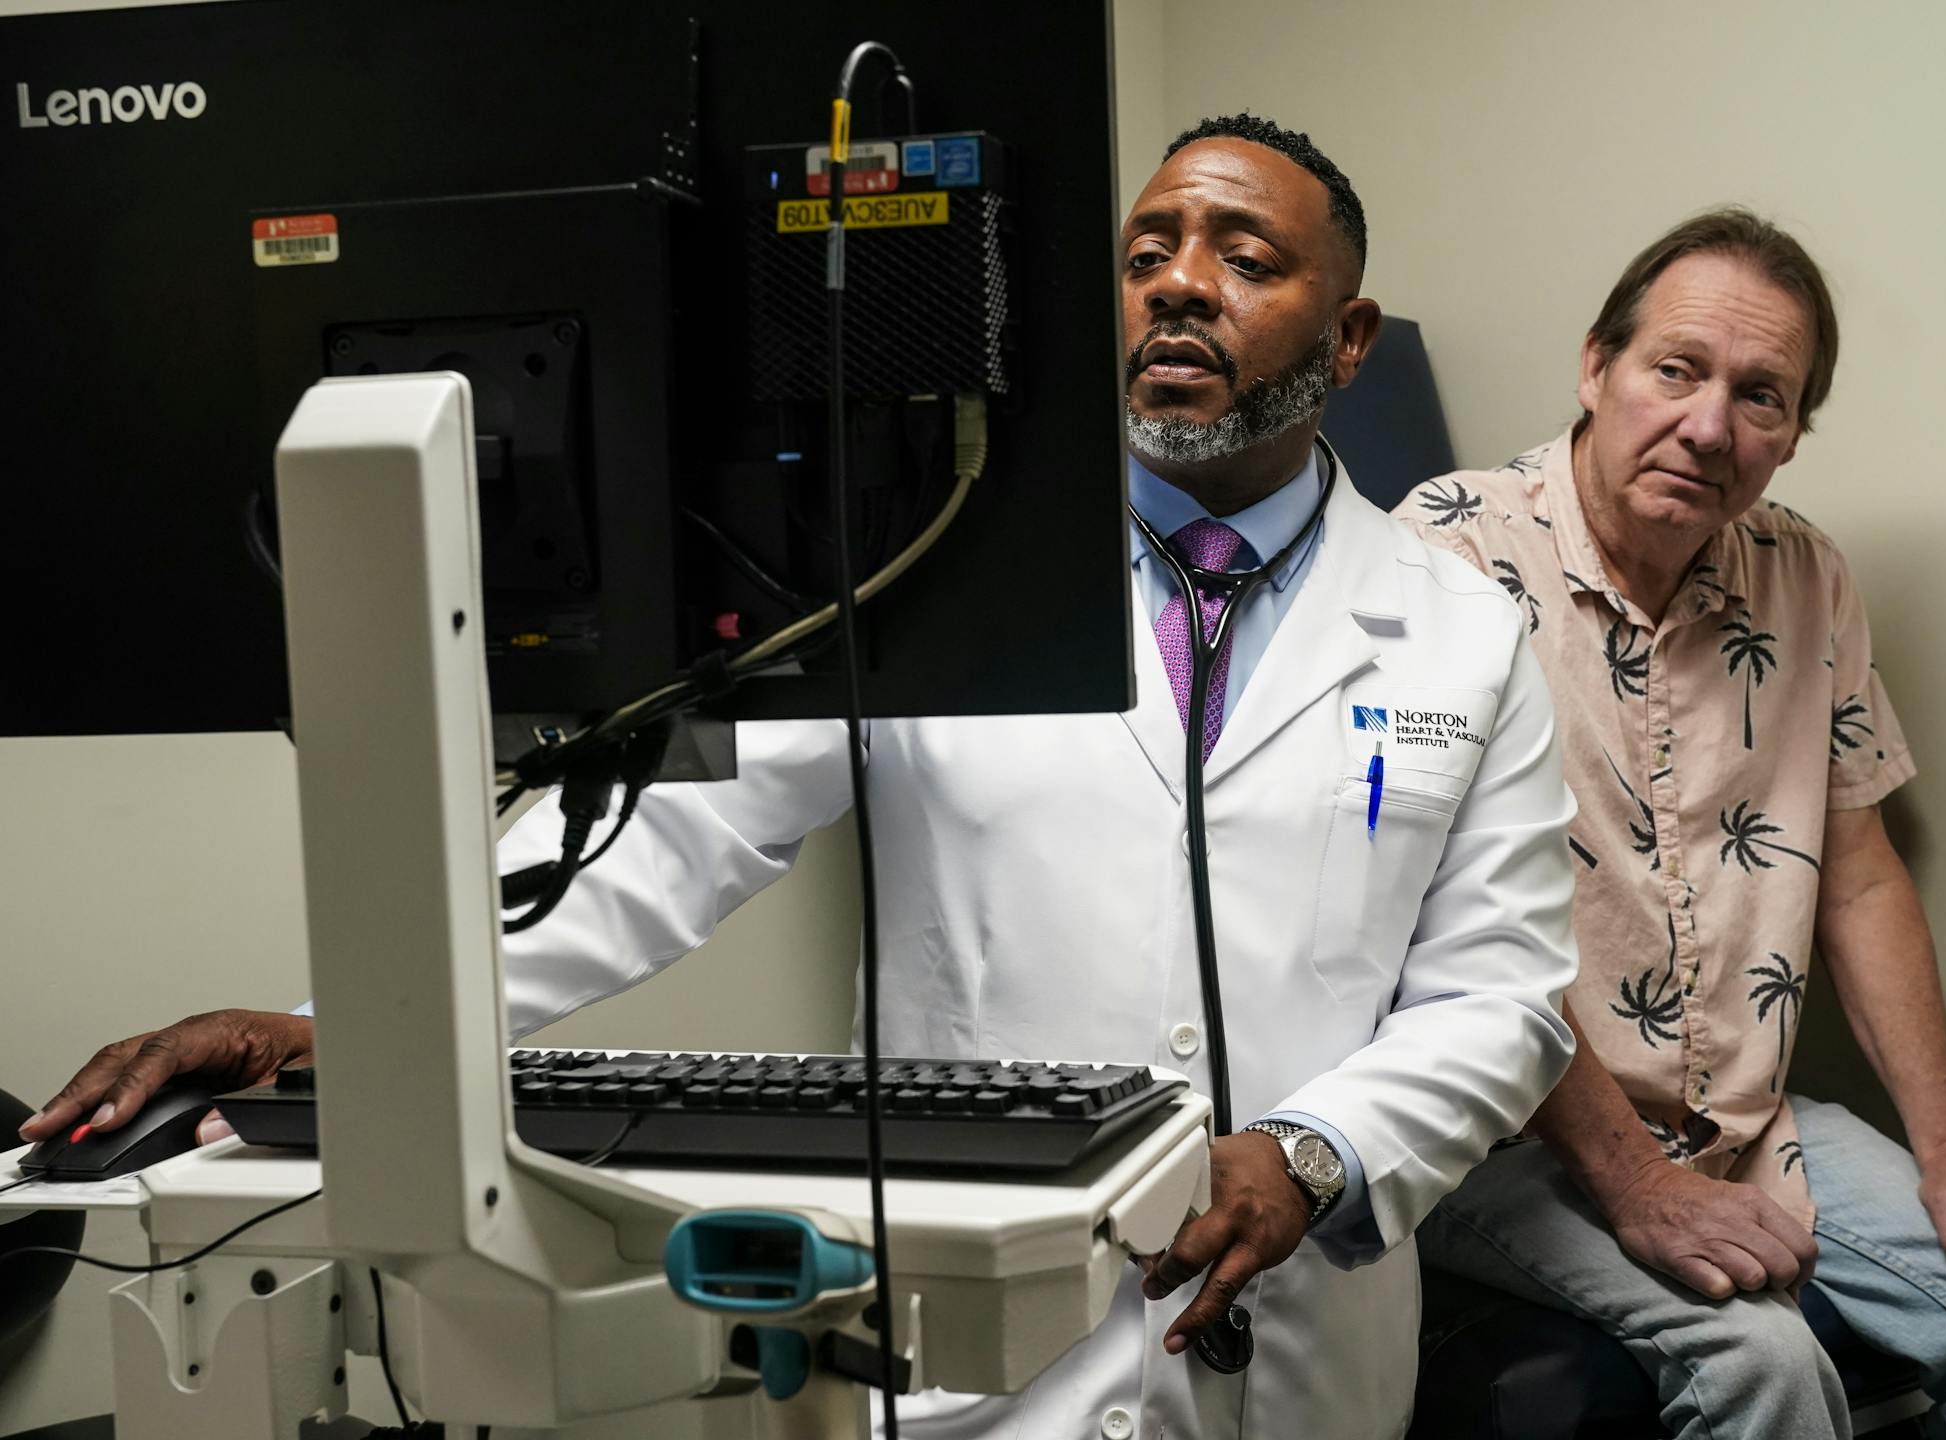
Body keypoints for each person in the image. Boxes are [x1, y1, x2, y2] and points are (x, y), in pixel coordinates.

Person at [21, 116, 1581, 1439]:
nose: (1180, 284)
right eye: (1147, 249)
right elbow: (663, 844)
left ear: (1348, 334)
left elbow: (1502, 995)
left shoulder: (1458, 632)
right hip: (985, 1330)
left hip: (1295, 1346)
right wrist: (335, 1026)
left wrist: (1315, 1155)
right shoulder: (920, 573)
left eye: (1247, 259)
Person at [1397, 208, 1946, 1438]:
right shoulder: (1445, 556)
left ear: (1792, 435)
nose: (1708, 427)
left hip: (1735, 1116)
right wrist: (1632, 1181)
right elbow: (1434, 923)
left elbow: (1857, 874)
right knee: (1765, 1363)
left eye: (1762, 396)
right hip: (1496, 1135)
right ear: (1596, 365)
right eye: (1675, 370)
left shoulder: (1807, 577)